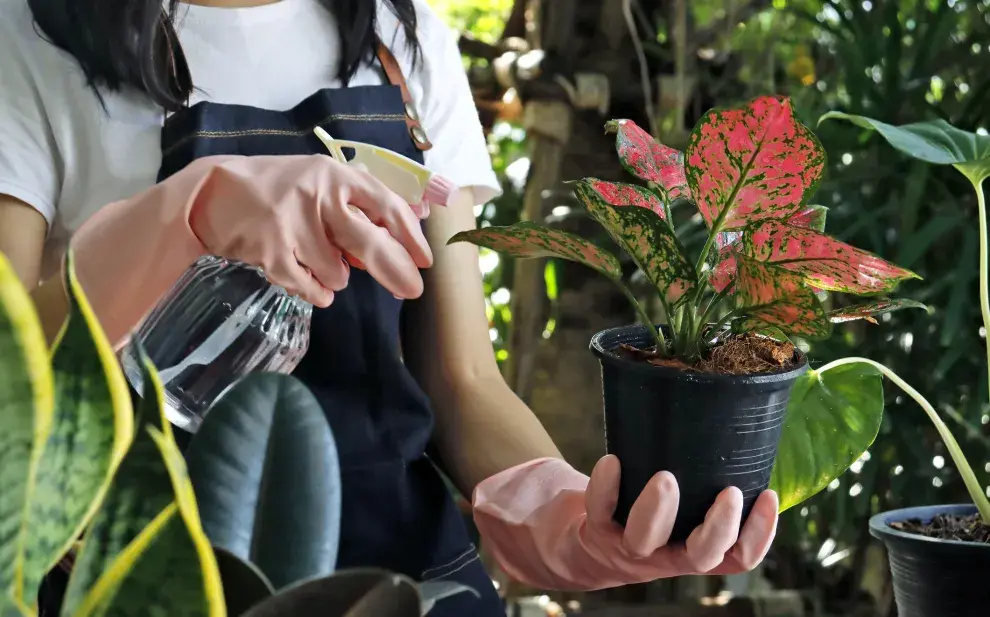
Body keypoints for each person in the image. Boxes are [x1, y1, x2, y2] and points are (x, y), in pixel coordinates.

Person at [0, 0, 781, 614]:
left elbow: (462, 380)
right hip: (144, 578)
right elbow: (9, 373)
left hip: (403, 584)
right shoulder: (29, 38)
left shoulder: (397, 38)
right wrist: (179, 217)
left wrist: (564, 517)